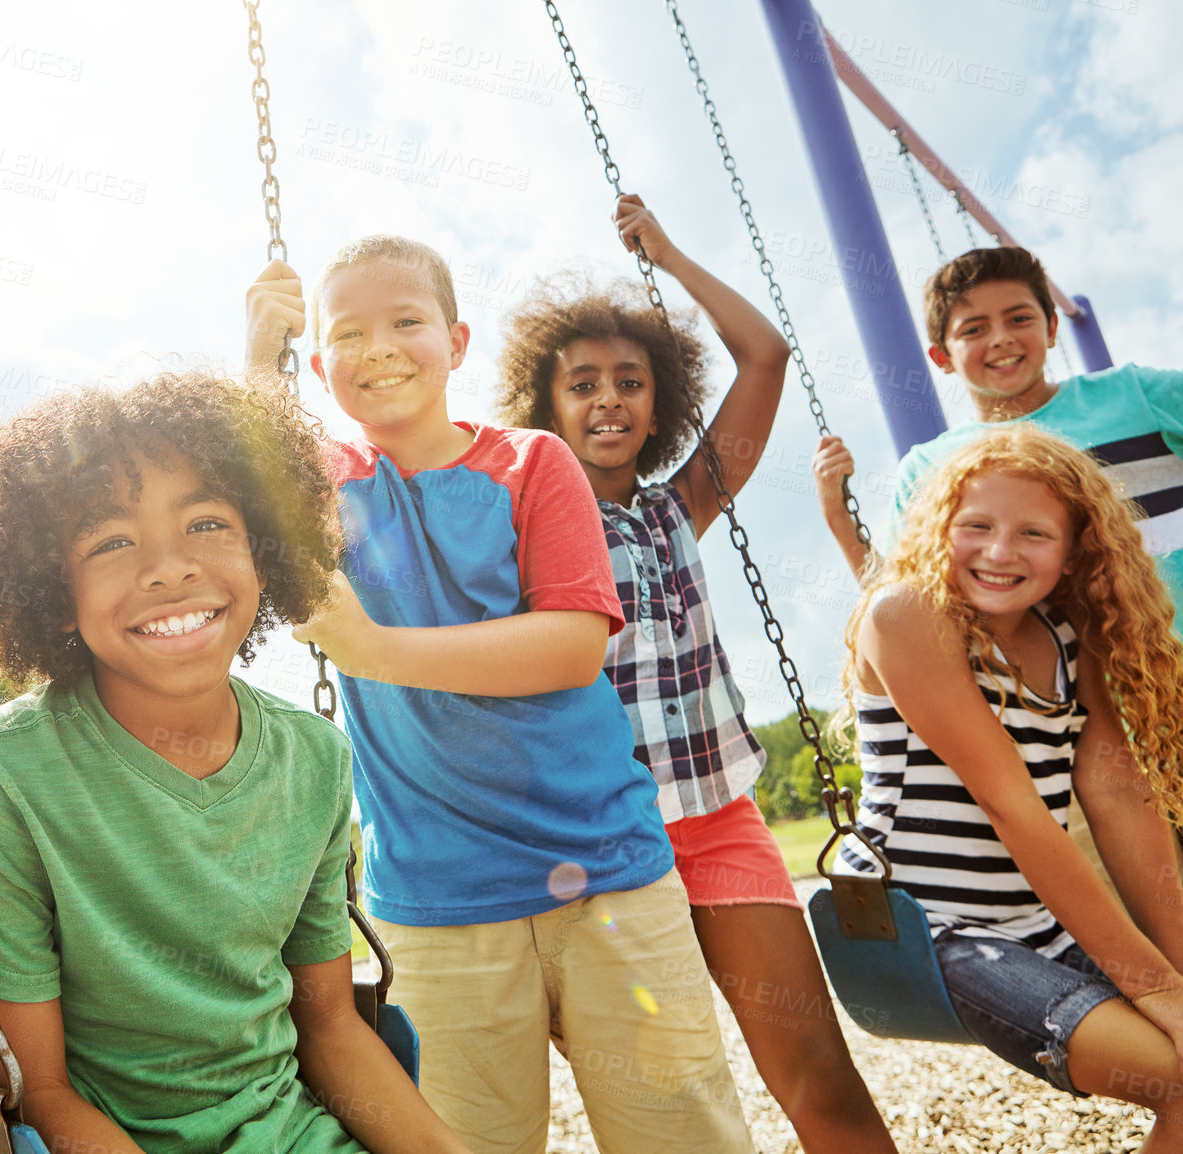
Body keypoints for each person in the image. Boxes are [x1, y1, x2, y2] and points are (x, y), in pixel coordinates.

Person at [246, 235, 754, 1153]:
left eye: (408, 321)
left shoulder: (531, 464)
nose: (381, 347)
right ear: (318, 366)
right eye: (348, 334)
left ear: (459, 340)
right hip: (435, 898)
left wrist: (372, 647)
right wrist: (255, 361)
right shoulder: (324, 487)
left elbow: (567, 646)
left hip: (607, 871)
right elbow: (243, 477)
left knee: (683, 1133)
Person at [0, 372, 468, 1154]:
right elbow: (35, 1091)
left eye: (206, 523)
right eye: (111, 541)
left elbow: (330, 1026)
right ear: (54, 590)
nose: (168, 567)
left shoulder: (314, 758)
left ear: (265, 552)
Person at [493, 195, 896, 1154]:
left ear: (658, 403)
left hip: (717, 820)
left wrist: (667, 254)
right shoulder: (507, 524)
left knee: (819, 1079)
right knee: (662, 1104)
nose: (608, 401)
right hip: (596, 836)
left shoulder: (684, 504)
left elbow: (766, 357)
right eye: (581, 384)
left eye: (630, 382)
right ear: (546, 407)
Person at [826, 425, 1183, 1152]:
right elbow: (1011, 805)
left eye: (1034, 533)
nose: (999, 552)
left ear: (1076, 549)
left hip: (1037, 927)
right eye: (977, 527)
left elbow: (1117, 796)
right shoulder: (906, 615)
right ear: (941, 529)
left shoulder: (1066, 633)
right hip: (928, 929)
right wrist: (1158, 989)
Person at [816, 245, 1183, 629]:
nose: (1001, 338)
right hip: (1082, 684)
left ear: (1051, 328)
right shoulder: (928, 467)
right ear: (942, 357)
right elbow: (905, 606)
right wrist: (838, 515)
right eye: (974, 329)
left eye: (1019, 318)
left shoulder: (1136, 393)